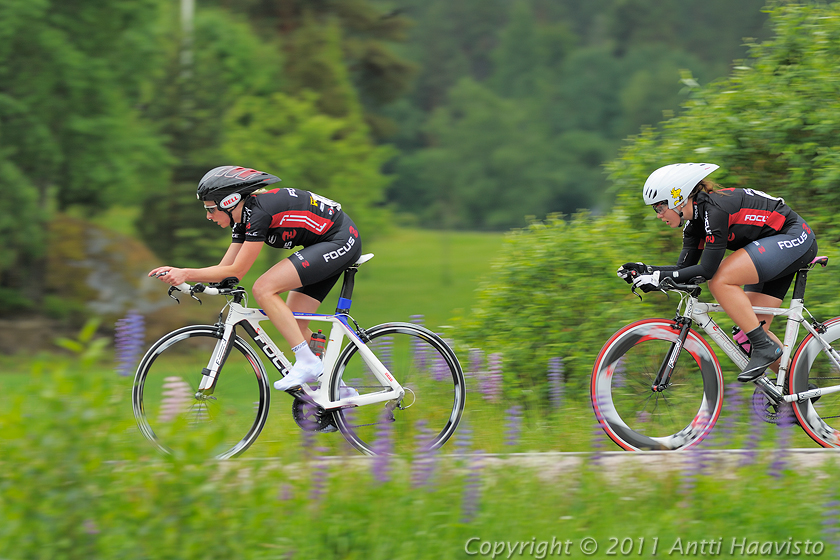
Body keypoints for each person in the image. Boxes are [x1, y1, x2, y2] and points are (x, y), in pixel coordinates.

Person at [149, 165, 362, 392]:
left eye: (211, 209)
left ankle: (307, 363)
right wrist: (191, 284)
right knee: (294, 324)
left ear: (229, 202)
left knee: (263, 288)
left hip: (340, 239)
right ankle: (339, 388)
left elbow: (237, 271)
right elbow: (225, 270)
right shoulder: (242, 219)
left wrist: (186, 272)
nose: (208, 216)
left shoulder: (258, 214)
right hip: (322, 243)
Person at [617, 163, 818, 382]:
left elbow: (707, 270)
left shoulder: (715, 211)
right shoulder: (694, 224)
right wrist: (646, 270)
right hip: (770, 246)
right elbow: (684, 269)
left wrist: (657, 278)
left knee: (720, 281)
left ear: (677, 199)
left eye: (659, 207)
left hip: (794, 237)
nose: (658, 215)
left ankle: (765, 347)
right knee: (748, 333)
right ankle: (798, 392)